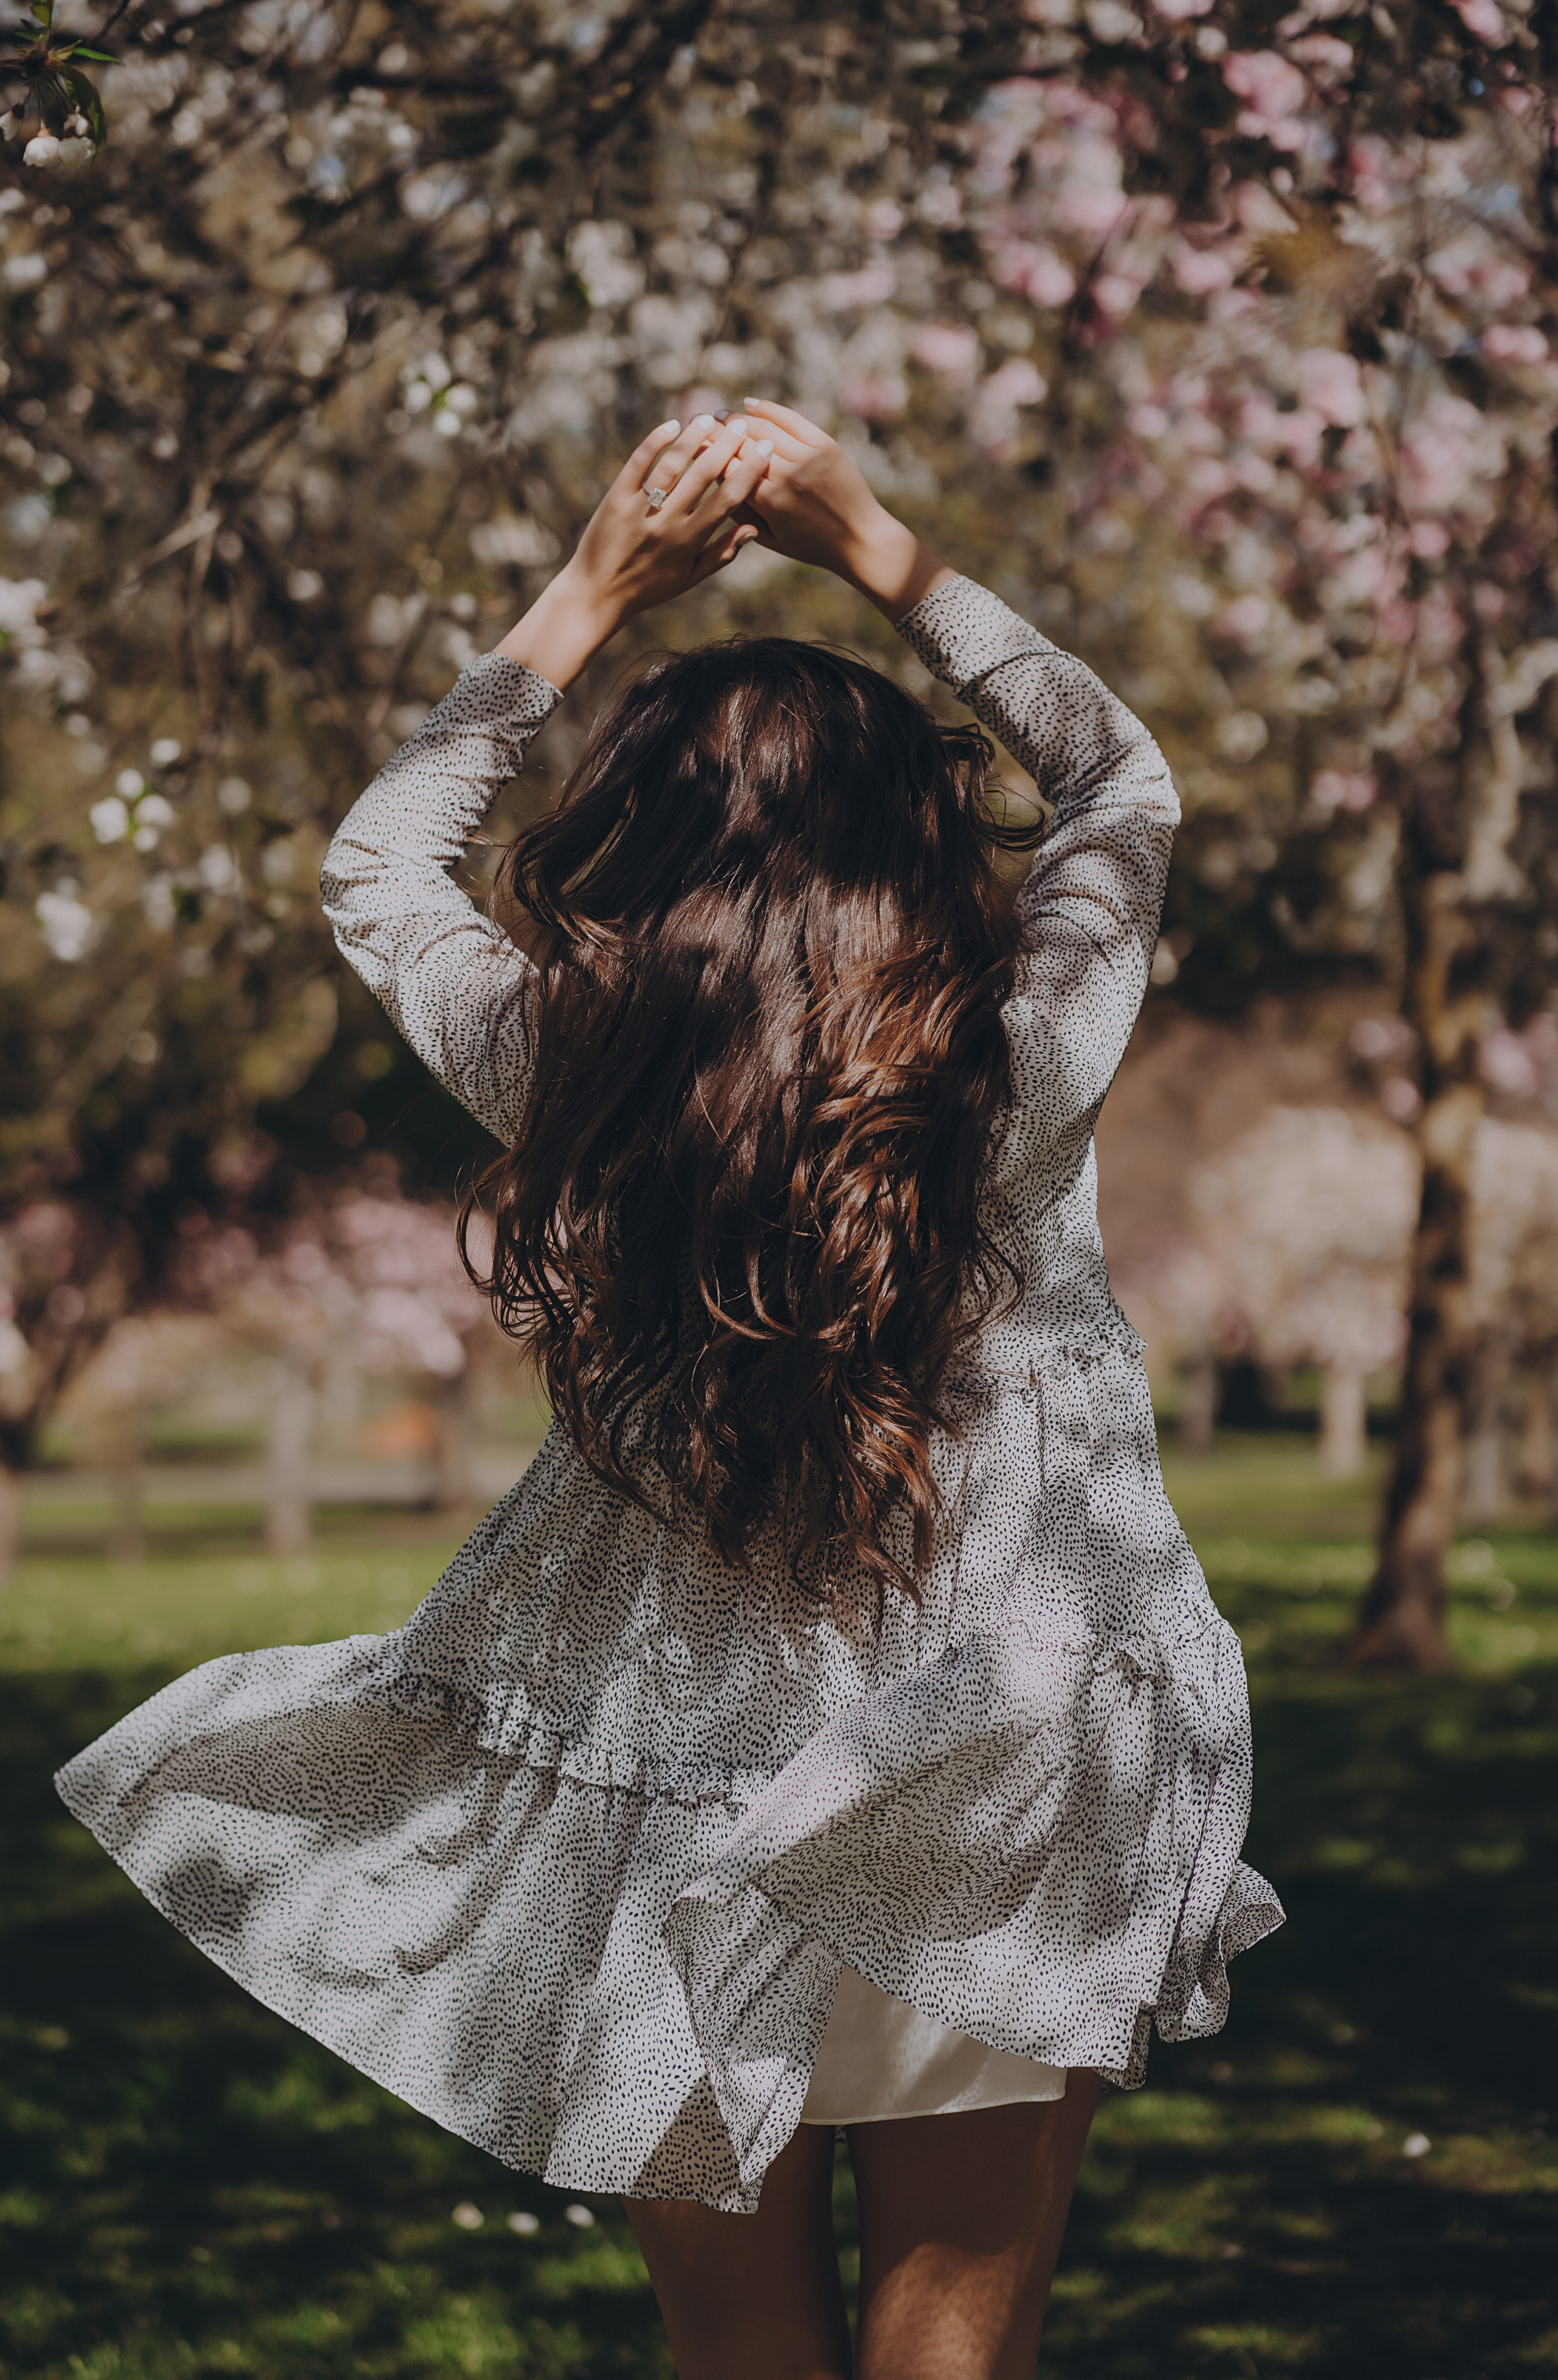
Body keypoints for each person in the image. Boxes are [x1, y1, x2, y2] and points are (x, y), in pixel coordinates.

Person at [57, 402, 1283, 2379]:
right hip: (1004, 1749)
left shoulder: (574, 1074)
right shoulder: (1011, 1068)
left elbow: (382, 865)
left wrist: (589, 591)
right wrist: (880, 544)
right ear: (911, 841)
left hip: (678, 1790)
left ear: (645, 851)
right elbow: (1118, 785)